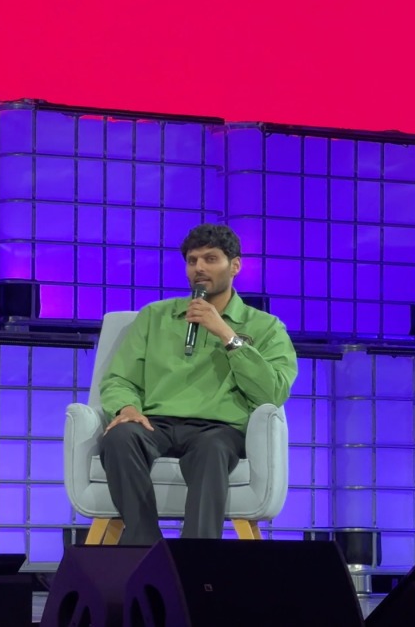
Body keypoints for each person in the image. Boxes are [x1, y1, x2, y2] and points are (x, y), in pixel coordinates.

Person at [98, 223, 298, 545]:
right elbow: (120, 378)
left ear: (235, 265)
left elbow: (272, 393)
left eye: (210, 259)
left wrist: (225, 334)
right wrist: (129, 408)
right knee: (120, 437)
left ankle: (196, 559)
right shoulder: (155, 316)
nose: (199, 268)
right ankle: (145, 546)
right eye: (192, 261)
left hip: (218, 429)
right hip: (156, 423)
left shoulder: (266, 327)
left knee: (212, 452)